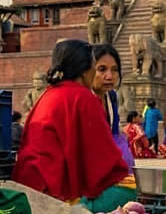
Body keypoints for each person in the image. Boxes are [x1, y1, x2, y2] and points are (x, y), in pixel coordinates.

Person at [13, 39, 128, 202]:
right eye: (96, 67)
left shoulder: (49, 93)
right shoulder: (83, 97)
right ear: (84, 70)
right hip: (52, 190)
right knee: (125, 194)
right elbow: (103, 158)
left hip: (28, 183)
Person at [92, 43, 134, 172]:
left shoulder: (111, 97)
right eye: (102, 69)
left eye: (115, 70)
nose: (110, 76)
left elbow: (115, 134)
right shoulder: (81, 101)